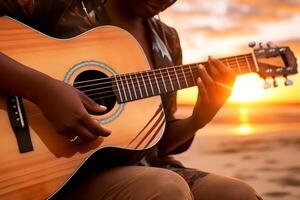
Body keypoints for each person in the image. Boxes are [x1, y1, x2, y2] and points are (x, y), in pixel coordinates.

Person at [0, 0, 263, 199]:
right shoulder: (68, 5)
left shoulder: (167, 39)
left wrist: (198, 119)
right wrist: (41, 90)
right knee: (165, 189)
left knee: (237, 193)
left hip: (135, 165)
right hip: (58, 171)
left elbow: (154, 143)